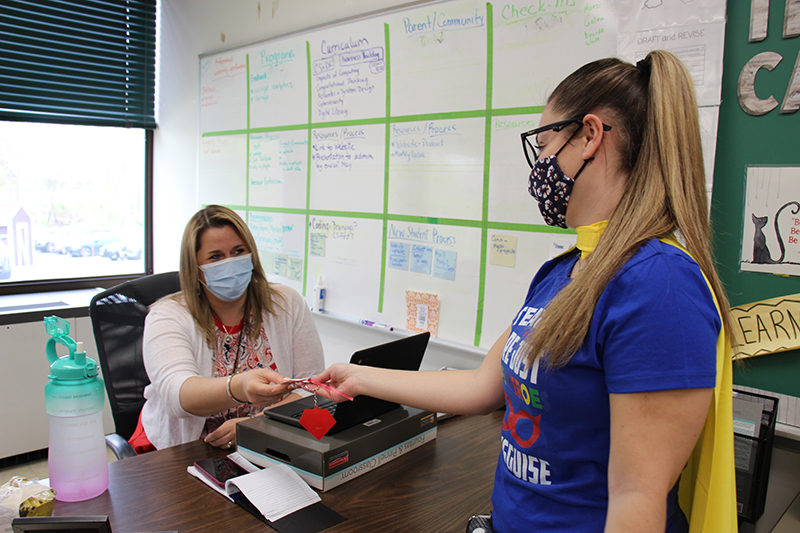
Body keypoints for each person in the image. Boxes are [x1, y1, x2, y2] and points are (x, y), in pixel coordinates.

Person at [305, 51, 736, 533]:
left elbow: (637, 497)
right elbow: (482, 386)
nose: (540, 165)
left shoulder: (659, 286)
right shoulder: (567, 270)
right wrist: (359, 377)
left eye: (546, 141)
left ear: (590, 135)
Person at [131, 205, 324, 452]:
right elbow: (177, 395)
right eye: (215, 257)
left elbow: (311, 387)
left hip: (267, 440)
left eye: (238, 251)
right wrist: (240, 386)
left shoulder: (286, 303)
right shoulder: (168, 315)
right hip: (187, 450)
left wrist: (257, 425)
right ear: (195, 267)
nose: (230, 263)